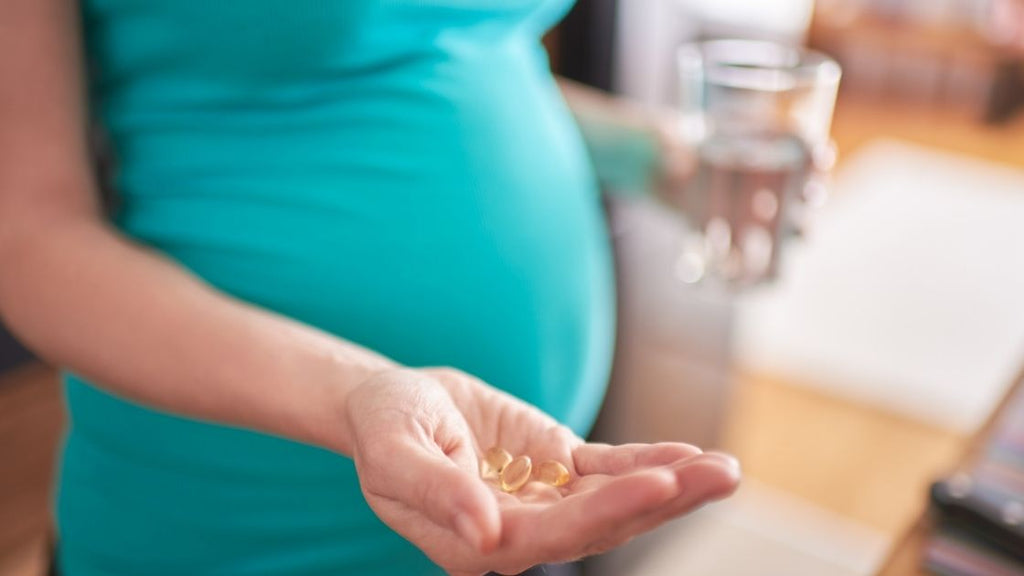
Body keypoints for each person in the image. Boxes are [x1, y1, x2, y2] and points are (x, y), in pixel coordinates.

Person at [0, 0, 740, 574]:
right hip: (232, 524)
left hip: (516, 527)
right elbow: (27, 234)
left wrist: (647, 154)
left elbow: (447, 46)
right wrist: (354, 393)